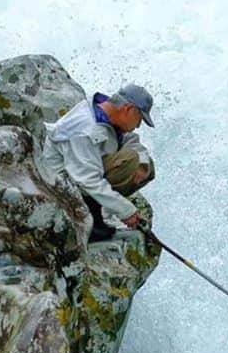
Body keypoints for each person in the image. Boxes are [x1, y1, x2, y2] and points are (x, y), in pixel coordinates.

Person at [40, 83, 156, 242]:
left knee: (145, 164)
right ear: (128, 109)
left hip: (83, 176)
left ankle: (100, 210)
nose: (138, 126)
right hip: (62, 189)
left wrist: (143, 164)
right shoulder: (84, 128)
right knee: (129, 160)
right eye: (139, 119)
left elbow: (131, 139)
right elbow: (88, 180)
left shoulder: (109, 113)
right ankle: (89, 217)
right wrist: (126, 211)